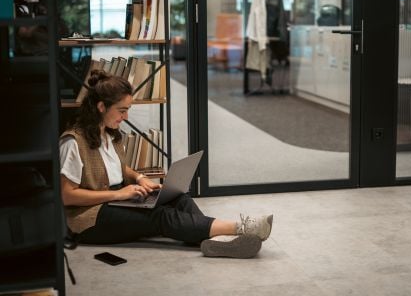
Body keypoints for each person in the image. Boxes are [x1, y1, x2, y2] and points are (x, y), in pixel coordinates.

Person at [59, 69, 273, 258]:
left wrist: (140, 178)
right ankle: (240, 227)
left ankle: (214, 241)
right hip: (89, 219)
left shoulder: (110, 134)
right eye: (122, 110)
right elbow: (67, 195)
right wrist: (119, 194)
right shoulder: (73, 142)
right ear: (101, 107)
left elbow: (116, 167)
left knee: (178, 198)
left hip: (116, 200)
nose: (125, 116)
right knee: (160, 216)